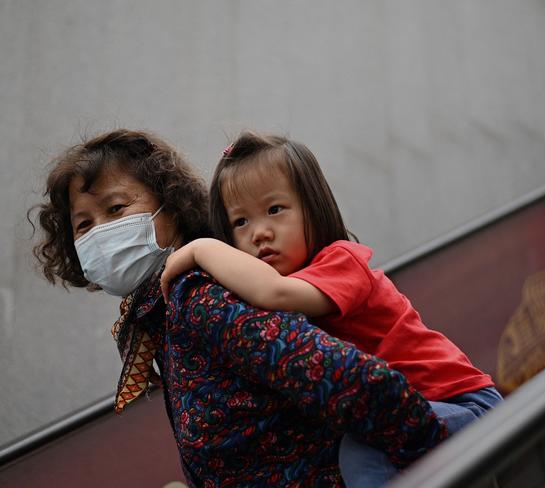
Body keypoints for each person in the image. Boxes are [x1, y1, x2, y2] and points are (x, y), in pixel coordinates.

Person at [31, 128, 447, 487]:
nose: (100, 231)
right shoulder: (158, 315)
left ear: (172, 208)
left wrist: (447, 462)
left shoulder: (200, 298)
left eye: (117, 208)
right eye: (83, 223)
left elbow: (360, 382)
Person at [160, 130, 503, 487]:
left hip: (465, 406)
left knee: (362, 453)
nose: (259, 233)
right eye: (240, 222)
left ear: (314, 207)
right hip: (414, 412)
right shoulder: (282, 289)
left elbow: (273, 292)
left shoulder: (343, 261)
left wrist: (201, 249)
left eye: (275, 210)